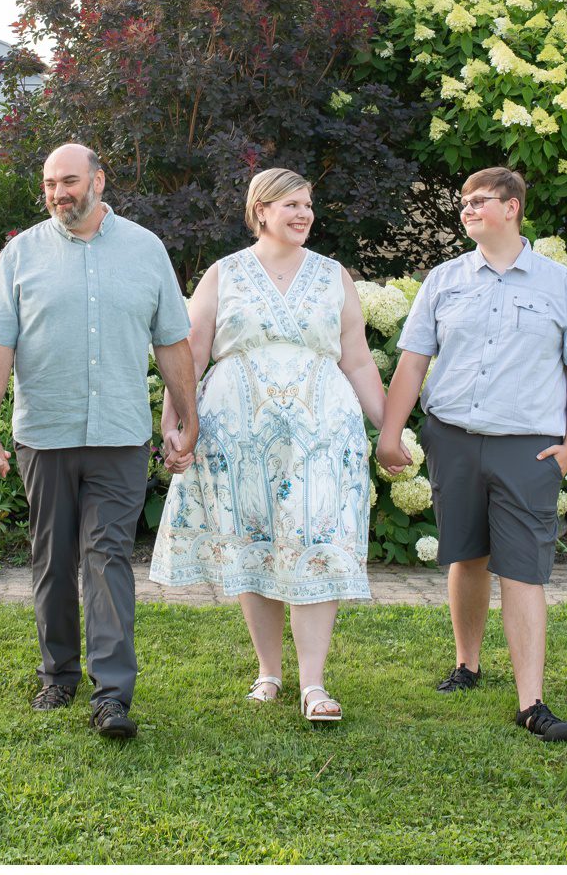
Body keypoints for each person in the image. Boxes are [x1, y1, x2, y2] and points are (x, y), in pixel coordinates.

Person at [0, 143, 200, 740]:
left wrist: (185, 418)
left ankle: (113, 694)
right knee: (52, 558)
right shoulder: (20, 255)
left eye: (68, 181)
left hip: (119, 434)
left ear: (98, 180)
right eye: (49, 184)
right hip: (44, 433)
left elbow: (173, 341)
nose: (57, 194)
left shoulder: (145, 250)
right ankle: (59, 673)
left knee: (108, 557)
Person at [148, 168, 384, 724]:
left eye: (307, 205)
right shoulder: (225, 273)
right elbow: (191, 351)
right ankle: (269, 673)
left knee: (316, 536)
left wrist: (390, 428)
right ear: (260, 211)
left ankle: (315, 684)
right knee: (255, 542)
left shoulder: (333, 276)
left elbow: (357, 357)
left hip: (322, 433)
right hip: (238, 435)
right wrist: (176, 423)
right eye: (290, 205)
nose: (303, 214)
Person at [377, 167, 567, 742]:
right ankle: (467, 666)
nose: (468, 210)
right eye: (464, 202)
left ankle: (532, 702)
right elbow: (412, 363)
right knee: (466, 554)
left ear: (512, 209)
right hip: (452, 437)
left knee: (523, 569)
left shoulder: (558, 285)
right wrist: (390, 431)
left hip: (528, 448)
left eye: (480, 202)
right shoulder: (444, 279)